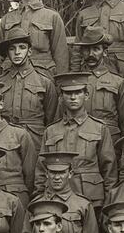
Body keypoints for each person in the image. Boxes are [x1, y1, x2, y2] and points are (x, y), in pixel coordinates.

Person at [41, 73, 115, 209]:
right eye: (68, 93)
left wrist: (109, 203)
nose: (73, 97)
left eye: (77, 92)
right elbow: (41, 169)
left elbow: (109, 170)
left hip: (91, 198)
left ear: (86, 95)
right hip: (56, 199)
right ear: (61, 97)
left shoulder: (99, 128)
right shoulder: (50, 131)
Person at [0, 0, 68, 76]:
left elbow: (61, 57)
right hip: (11, 80)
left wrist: (61, 87)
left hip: (43, 80)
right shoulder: (7, 19)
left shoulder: (52, 17)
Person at [31, 150, 103, 233]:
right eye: (52, 172)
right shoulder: (36, 205)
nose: (57, 177)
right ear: (46, 174)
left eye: (62, 172)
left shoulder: (83, 205)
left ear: (70, 174)